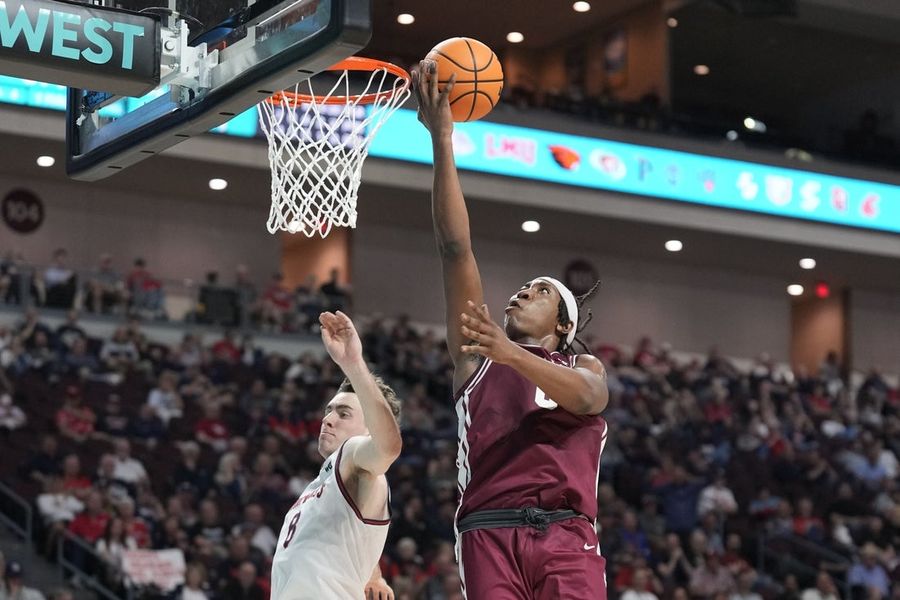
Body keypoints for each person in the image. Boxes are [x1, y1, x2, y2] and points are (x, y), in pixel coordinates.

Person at [414, 59, 609, 600]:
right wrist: (443, 140)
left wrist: (513, 353)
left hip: (567, 535)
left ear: (564, 323)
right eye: (522, 287)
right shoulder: (478, 353)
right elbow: (455, 248)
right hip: (488, 531)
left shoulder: (582, 365)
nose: (521, 293)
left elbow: (591, 400)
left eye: (540, 290)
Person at [270, 311, 401, 600]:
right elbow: (349, 534)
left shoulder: (352, 454)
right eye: (328, 410)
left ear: (369, 429)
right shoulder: (327, 480)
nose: (328, 419)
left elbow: (387, 448)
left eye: (343, 413)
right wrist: (373, 573)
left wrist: (353, 364)